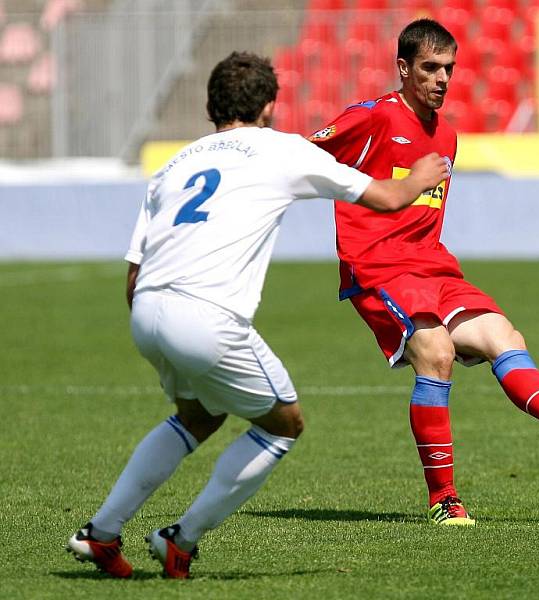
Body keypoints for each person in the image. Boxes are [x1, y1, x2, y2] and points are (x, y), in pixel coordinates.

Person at [65, 51, 449, 578]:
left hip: (147, 309)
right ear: (269, 105)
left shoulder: (175, 164)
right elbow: (384, 198)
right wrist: (420, 175)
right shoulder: (279, 150)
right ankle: (182, 539)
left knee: (197, 417)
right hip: (206, 316)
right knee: (283, 425)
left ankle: (102, 534)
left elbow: (134, 272)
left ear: (210, 106)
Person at [309, 19, 539, 526]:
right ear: (404, 69)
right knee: (436, 350)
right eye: (429, 68)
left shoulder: (446, 135)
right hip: (379, 269)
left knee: (502, 334)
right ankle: (443, 498)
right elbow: (301, 154)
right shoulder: (374, 118)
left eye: (448, 68)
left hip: (432, 265)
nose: (442, 79)